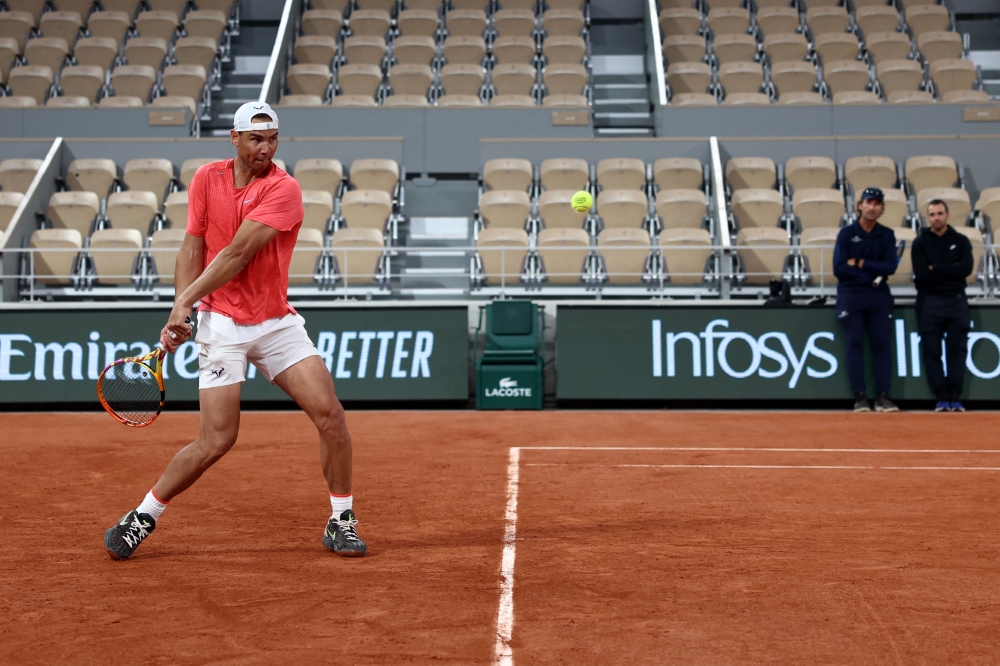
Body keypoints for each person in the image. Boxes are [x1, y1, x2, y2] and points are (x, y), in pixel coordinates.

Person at [104, 103, 366, 560]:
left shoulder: (285, 190)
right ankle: (141, 516)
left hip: (275, 323)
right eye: (256, 139)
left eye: (273, 139)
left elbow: (235, 256)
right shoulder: (207, 178)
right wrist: (180, 307)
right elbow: (193, 245)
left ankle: (340, 519)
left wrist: (187, 301)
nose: (266, 148)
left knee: (331, 415)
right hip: (222, 326)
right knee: (217, 440)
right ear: (235, 138)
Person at [834, 187, 901, 413]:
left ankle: (883, 395)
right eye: (868, 202)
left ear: (882, 208)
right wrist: (871, 274)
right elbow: (840, 268)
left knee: (882, 343)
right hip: (851, 295)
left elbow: (890, 266)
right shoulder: (846, 234)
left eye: (877, 203)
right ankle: (860, 396)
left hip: (878, 296)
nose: (872, 207)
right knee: (854, 342)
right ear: (860, 205)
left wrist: (862, 263)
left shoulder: (887, 235)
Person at [911, 199, 974, 412]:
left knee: (957, 350)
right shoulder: (920, 243)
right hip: (930, 302)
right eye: (932, 214)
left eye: (939, 213)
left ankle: (955, 395)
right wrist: (950, 269)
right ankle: (941, 397)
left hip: (957, 300)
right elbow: (921, 276)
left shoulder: (962, 241)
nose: (936, 218)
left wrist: (936, 267)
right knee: (932, 352)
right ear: (928, 218)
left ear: (947, 215)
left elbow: (965, 269)